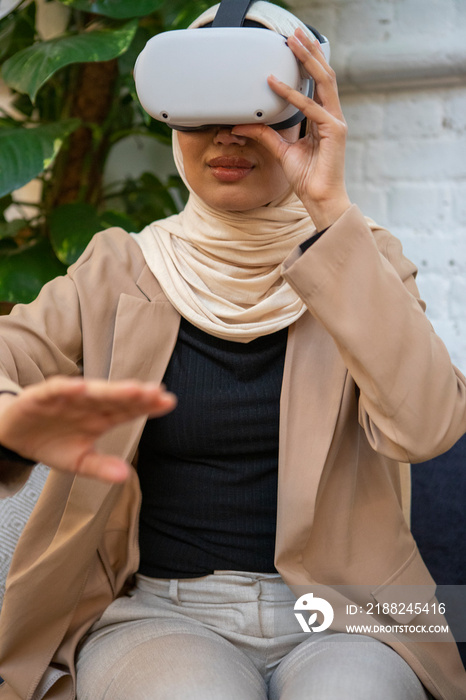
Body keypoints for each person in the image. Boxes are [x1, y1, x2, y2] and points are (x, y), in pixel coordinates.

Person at [0, 2, 465, 699]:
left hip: (349, 615)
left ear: (308, 115)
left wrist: (331, 216)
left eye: (259, 108)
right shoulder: (119, 270)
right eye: (202, 108)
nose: (229, 135)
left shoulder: (365, 261)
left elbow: (427, 426)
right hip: (161, 613)